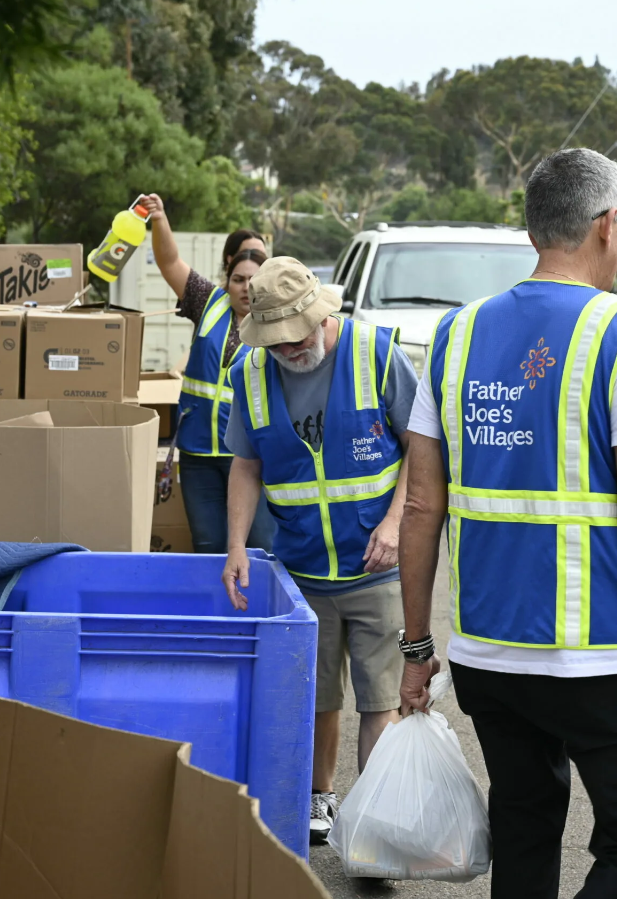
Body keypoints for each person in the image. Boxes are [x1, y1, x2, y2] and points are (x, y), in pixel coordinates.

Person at [397, 148, 617, 899]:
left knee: (525, 833)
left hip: (489, 659)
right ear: (605, 226)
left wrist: (416, 648)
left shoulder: (456, 336)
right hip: (598, 658)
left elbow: (420, 506)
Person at [220, 257, 420, 844]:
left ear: (322, 314)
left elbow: (420, 448)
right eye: (276, 342)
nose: (290, 350)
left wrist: (393, 523)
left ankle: (378, 817)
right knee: (317, 697)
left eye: (298, 337)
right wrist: (235, 545)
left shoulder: (377, 353)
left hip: (377, 565)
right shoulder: (250, 373)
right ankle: (320, 800)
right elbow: (246, 464)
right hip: (304, 566)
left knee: (381, 696)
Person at [136, 193, 275, 554]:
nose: (246, 288)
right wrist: (160, 218)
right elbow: (169, 262)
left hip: (250, 456)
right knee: (209, 545)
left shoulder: (280, 327)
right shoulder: (208, 303)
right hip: (198, 455)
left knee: (259, 546)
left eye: (255, 281)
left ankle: (257, 610)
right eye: (239, 279)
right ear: (227, 281)